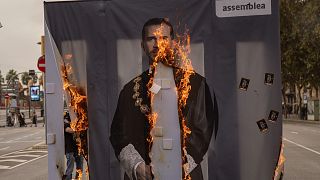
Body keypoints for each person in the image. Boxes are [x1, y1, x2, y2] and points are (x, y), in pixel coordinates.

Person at [110, 18, 218, 180]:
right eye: (151, 38)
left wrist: (178, 166)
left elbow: (203, 130)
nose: (157, 43)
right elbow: (119, 133)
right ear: (142, 45)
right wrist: (138, 167)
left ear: (173, 43)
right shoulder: (130, 90)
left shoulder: (196, 84)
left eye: (163, 38)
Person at [62, 112, 77, 180]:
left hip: (77, 148)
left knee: (79, 167)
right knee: (70, 167)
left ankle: (78, 178)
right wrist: (78, 129)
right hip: (69, 149)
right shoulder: (65, 124)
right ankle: (67, 178)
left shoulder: (75, 123)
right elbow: (68, 130)